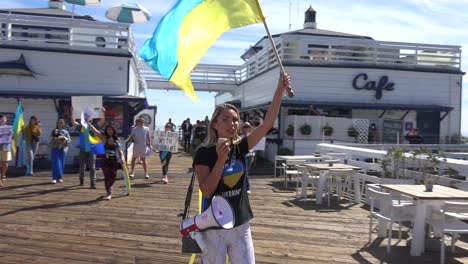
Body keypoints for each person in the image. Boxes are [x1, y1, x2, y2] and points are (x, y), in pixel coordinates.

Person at [193, 72, 291, 263]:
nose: (232, 124)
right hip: (214, 225)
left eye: (235, 120)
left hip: (241, 222)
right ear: (214, 124)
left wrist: (280, 89)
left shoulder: (241, 146)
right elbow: (206, 191)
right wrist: (221, 160)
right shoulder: (204, 152)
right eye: (226, 120)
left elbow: (268, 124)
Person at [88, 123, 124, 200]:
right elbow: (96, 132)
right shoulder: (104, 138)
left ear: (113, 130)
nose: (109, 131)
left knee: (113, 176)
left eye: (111, 129)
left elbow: (119, 150)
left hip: (114, 160)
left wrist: (122, 159)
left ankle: (109, 189)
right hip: (105, 160)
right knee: (107, 177)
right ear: (106, 131)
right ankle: (108, 192)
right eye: (108, 129)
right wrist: (90, 125)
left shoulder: (116, 139)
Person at [72, 113, 104, 188]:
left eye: (89, 118)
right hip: (83, 150)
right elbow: (73, 121)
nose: (87, 119)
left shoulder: (94, 126)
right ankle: (81, 181)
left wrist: (102, 112)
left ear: (91, 120)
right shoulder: (81, 127)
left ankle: (93, 183)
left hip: (91, 150)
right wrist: (73, 111)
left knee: (92, 167)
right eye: (86, 118)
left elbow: (102, 121)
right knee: (82, 166)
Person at [49, 119, 71, 184]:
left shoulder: (65, 132)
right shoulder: (54, 131)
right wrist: (55, 138)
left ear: (63, 124)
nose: (59, 124)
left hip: (62, 149)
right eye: (58, 122)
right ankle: (54, 178)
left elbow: (69, 140)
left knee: (61, 163)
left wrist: (65, 140)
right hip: (55, 148)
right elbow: (50, 138)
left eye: (61, 123)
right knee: (55, 163)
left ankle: (60, 177)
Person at [240, 122, 254, 194]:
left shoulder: (251, 135)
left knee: (246, 172)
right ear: (242, 128)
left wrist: (254, 155)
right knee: (245, 172)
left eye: (247, 126)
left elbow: (255, 146)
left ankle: (244, 187)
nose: (246, 128)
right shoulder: (240, 136)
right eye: (245, 126)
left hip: (250, 155)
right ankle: (247, 187)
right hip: (244, 155)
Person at [0, 115, 12, 186]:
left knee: (5, 163)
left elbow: (11, 137)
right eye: (2, 118)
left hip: (6, 146)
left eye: (4, 119)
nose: (3, 120)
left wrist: (10, 134)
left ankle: (3, 176)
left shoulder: (8, 128)